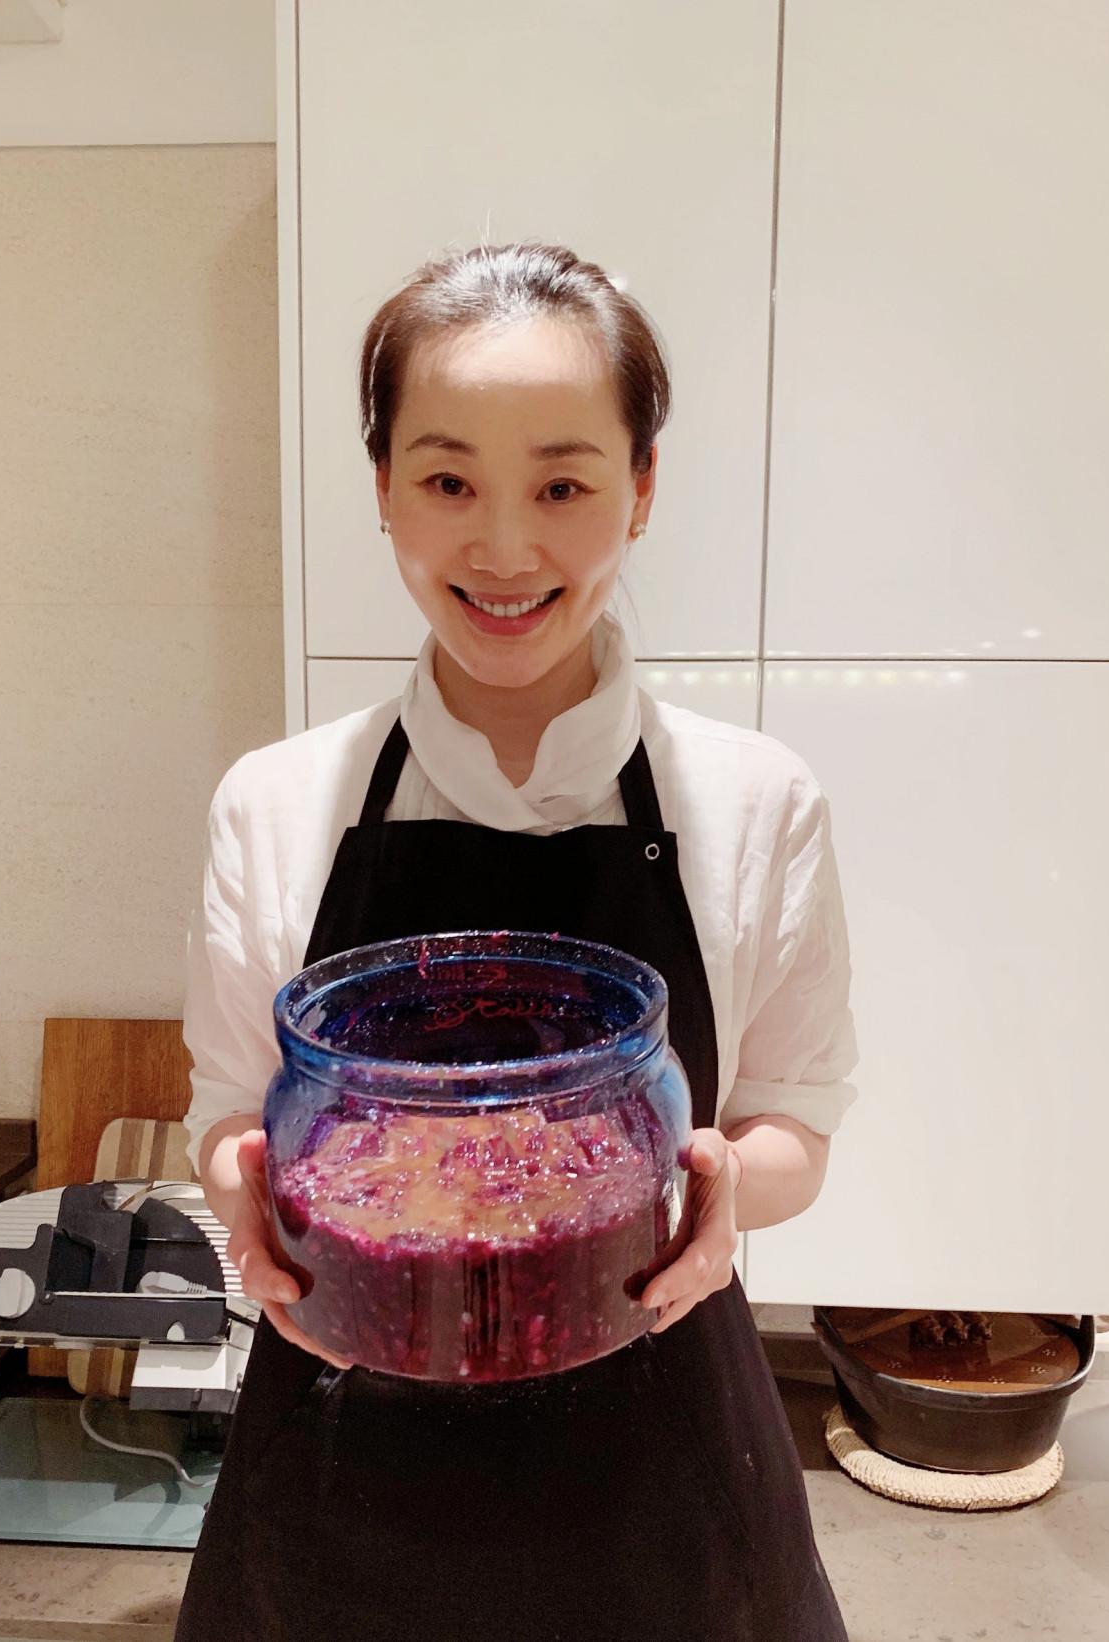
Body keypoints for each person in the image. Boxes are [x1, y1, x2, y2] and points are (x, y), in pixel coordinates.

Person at [175, 241, 860, 1642]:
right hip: (340, 1474)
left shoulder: (754, 801)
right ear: (382, 489)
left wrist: (725, 1186)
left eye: (561, 485)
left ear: (641, 487)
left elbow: (794, 1125)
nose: (501, 549)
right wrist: (238, 1185)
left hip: (668, 1488)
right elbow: (232, 1114)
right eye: (446, 483)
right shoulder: (276, 803)